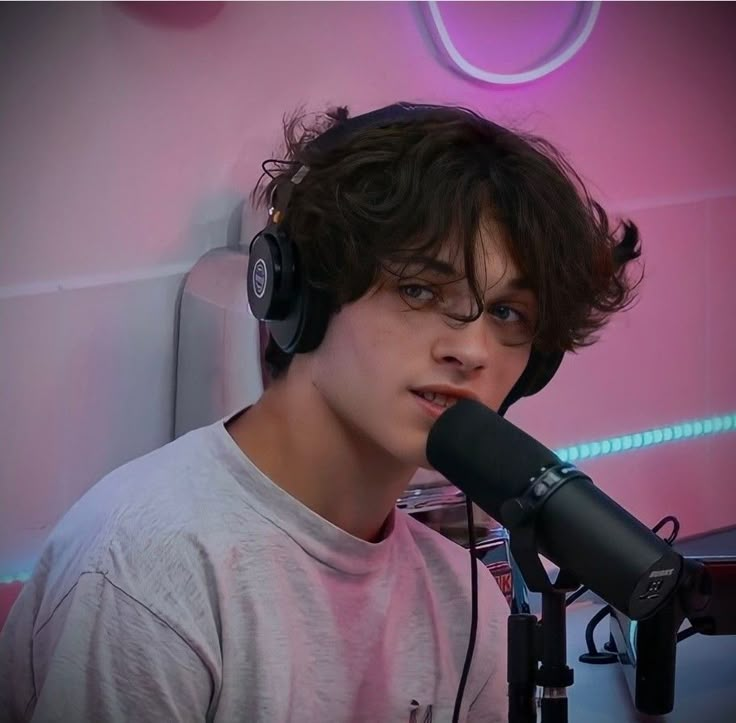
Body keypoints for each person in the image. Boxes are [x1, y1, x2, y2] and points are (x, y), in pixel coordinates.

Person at [0, 102, 641, 722]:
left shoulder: (464, 601)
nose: (470, 351)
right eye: (419, 290)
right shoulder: (148, 573)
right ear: (303, 295)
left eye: (506, 314)